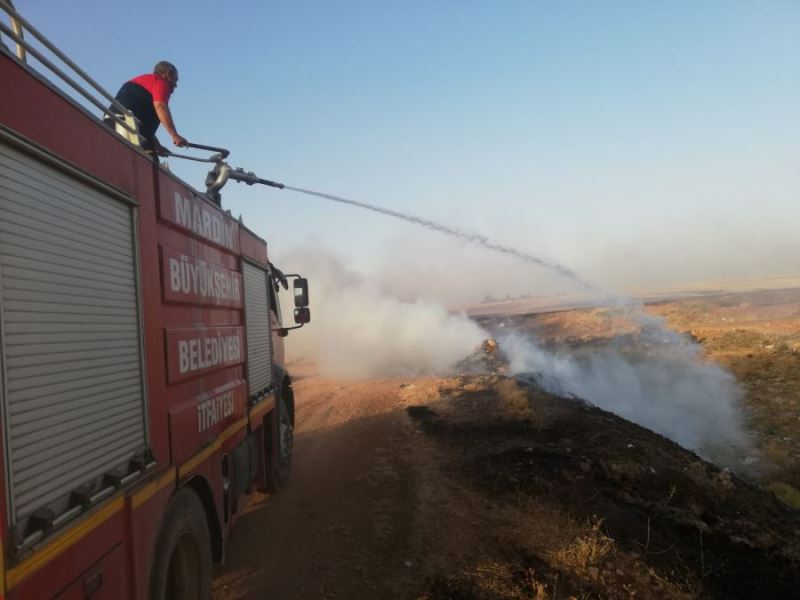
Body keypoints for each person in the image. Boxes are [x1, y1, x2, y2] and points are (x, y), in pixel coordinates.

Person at [109, 61, 188, 155]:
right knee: (146, 159)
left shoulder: (145, 83)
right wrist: (174, 135)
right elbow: (160, 106)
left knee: (151, 154)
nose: (175, 85)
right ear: (168, 74)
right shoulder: (160, 81)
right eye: (175, 80)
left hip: (115, 122)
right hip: (126, 125)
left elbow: (141, 120)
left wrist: (156, 145)